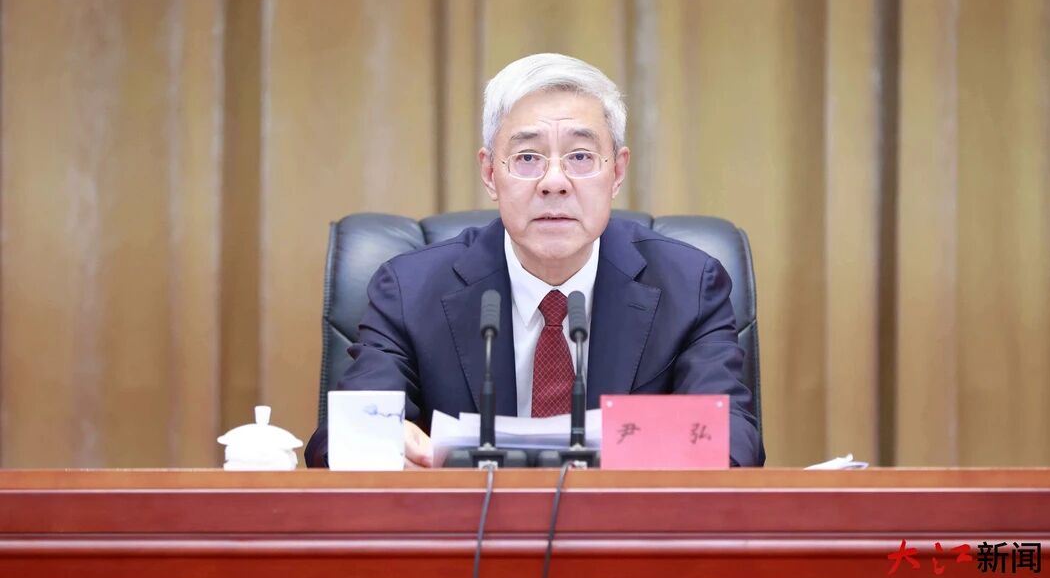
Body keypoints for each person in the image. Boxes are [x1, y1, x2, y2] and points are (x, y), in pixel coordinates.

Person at [306, 53, 764, 468]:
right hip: (466, 532)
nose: (554, 182)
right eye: (527, 157)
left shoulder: (688, 287)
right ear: (490, 173)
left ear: (617, 171)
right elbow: (339, 441)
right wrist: (383, 444)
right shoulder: (410, 291)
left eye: (581, 156)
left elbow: (734, 442)